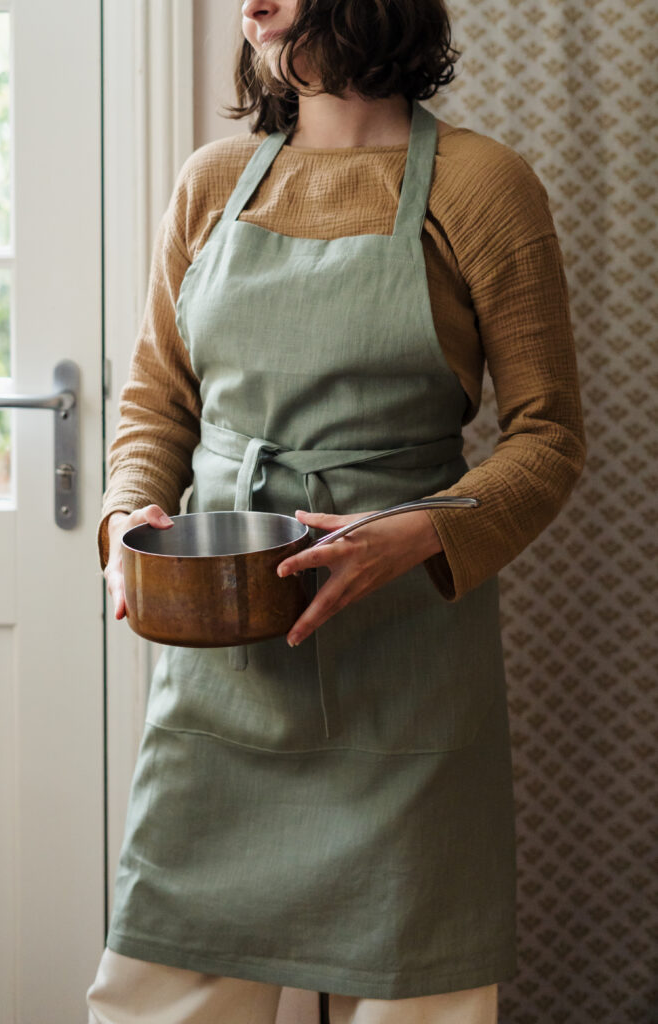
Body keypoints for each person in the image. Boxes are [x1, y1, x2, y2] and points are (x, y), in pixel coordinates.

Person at [86, 0, 586, 1021]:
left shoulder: (481, 184)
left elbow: (548, 436)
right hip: (224, 658)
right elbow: (155, 404)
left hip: (406, 656)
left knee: (419, 997)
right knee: (158, 996)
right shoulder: (212, 181)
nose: (253, 6)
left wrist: (418, 532)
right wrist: (126, 524)